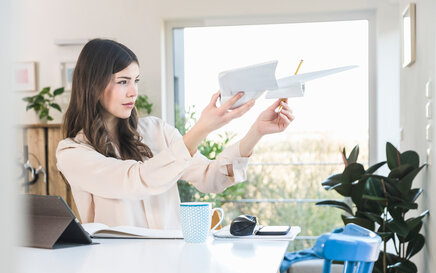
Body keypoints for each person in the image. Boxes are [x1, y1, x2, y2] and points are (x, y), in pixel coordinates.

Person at [56, 39, 295, 229]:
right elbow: (138, 180)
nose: (133, 92)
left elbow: (210, 177)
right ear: (93, 85)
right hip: (117, 272)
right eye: (123, 82)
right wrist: (203, 127)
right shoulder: (72, 153)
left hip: (172, 266)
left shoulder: (156, 131)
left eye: (135, 81)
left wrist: (256, 131)